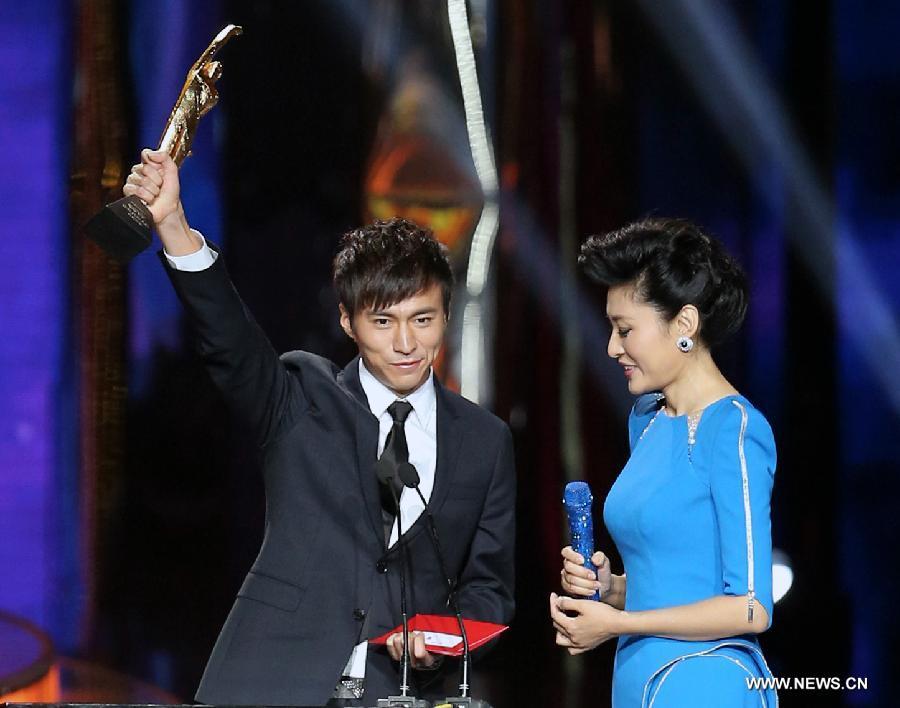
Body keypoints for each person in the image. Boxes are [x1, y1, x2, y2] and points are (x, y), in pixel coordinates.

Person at [123, 149, 515, 706]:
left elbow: (489, 591)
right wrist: (172, 223)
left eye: (422, 320)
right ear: (347, 321)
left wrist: (441, 640)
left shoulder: (485, 441)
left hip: (395, 691)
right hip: (269, 680)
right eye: (383, 322)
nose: (406, 344)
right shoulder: (301, 397)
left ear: (446, 316)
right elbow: (230, 342)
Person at [550, 218, 778, 707]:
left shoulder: (734, 429)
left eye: (625, 330)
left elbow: (752, 607)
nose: (613, 347)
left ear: (685, 326)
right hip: (640, 676)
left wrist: (620, 624)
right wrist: (612, 590)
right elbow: (676, 576)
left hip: (706, 682)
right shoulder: (647, 418)